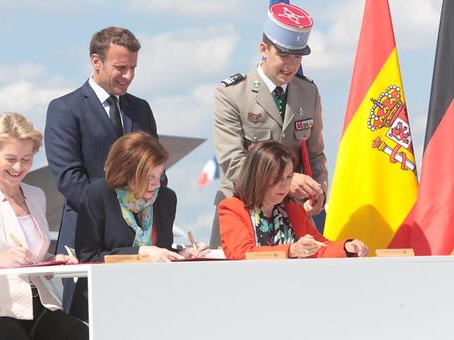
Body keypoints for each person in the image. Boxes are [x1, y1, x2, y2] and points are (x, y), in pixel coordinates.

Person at [44, 26, 160, 311]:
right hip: (88, 239)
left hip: (140, 241)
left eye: (133, 68)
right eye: (121, 67)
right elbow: (69, 178)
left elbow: (156, 167)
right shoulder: (65, 109)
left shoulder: (141, 109)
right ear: (96, 61)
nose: (128, 76)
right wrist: (116, 215)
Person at [0, 112, 88, 340]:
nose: (18, 167)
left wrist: (53, 259)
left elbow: (31, 253)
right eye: (11, 158)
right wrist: (1, 259)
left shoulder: (36, 195)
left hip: (41, 307)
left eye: (26, 159)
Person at [211, 2, 327, 248]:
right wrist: (285, 182)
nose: (290, 65)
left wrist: (320, 193)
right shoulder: (232, 93)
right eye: (283, 56)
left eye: (297, 57)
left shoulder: (309, 92)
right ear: (263, 49)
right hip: (242, 213)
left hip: (292, 218)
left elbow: (315, 154)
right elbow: (233, 161)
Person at [70, 131, 208, 321]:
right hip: (103, 304)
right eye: (151, 177)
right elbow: (88, 257)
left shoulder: (166, 199)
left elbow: (161, 250)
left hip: (152, 302)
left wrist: (183, 254)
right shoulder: (97, 195)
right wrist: (140, 253)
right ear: (127, 173)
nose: (158, 184)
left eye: (160, 175)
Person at [218, 141, 368, 260]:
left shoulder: (293, 210)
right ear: (257, 176)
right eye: (276, 177)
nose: (284, 185)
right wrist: (290, 250)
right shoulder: (231, 208)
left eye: (289, 176)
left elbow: (320, 248)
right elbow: (242, 253)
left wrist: (347, 247)